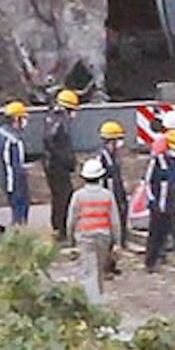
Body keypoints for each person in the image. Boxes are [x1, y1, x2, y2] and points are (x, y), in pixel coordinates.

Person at [67, 157, 120, 302]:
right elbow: (114, 221)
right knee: (99, 270)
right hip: (103, 237)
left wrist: (70, 240)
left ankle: (92, 302)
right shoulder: (107, 195)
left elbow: (71, 220)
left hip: (85, 237)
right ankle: (98, 298)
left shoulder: (78, 196)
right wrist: (117, 242)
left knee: (89, 270)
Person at [144, 128, 175, 271]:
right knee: (156, 235)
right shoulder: (157, 160)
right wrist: (152, 201)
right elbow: (148, 182)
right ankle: (151, 262)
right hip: (159, 205)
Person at [45, 89, 79, 242]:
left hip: (54, 164)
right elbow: (52, 141)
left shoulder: (52, 117)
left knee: (59, 197)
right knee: (64, 197)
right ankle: (62, 230)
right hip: (57, 166)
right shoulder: (60, 121)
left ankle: (58, 228)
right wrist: (66, 159)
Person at [97, 121, 130, 249]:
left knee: (123, 211)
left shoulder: (113, 155)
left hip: (116, 190)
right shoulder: (103, 157)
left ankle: (121, 240)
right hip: (109, 193)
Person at [2, 101, 30, 226]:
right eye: (23, 118)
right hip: (15, 181)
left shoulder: (2, 133)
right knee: (20, 209)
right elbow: (16, 165)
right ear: (16, 118)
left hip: (5, 178)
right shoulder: (14, 140)